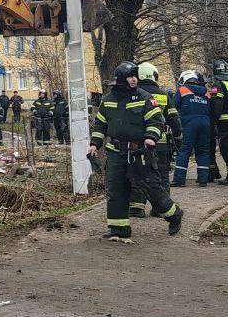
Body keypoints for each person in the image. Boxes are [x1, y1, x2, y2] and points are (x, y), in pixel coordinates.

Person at [89, 62, 182, 242]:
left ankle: (174, 214)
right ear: (122, 79)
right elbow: (100, 124)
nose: (134, 80)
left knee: (151, 188)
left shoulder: (145, 97)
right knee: (116, 191)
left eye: (135, 76)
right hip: (116, 152)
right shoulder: (107, 100)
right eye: (130, 76)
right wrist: (95, 143)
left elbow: (156, 121)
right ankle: (119, 228)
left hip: (140, 152)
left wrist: (150, 138)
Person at [137, 63, 180, 211]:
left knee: (138, 174)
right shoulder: (163, 94)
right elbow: (173, 118)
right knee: (161, 175)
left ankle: (137, 207)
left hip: (139, 143)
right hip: (160, 143)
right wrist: (178, 135)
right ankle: (161, 208)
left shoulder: (134, 93)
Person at [172, 70, 212, 186]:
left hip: (189, 123)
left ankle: (179, 180)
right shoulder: (206, 92)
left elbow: (175, 105)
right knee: (203, 151)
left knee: (185, 150)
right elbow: (210, 108)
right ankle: (203, 180)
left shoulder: (182, 90)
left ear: (184, 79)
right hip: (205, 123)